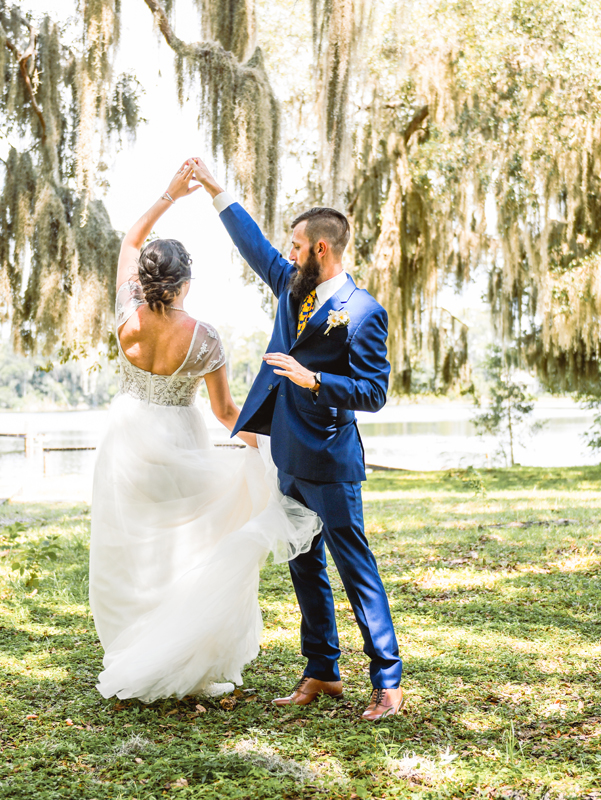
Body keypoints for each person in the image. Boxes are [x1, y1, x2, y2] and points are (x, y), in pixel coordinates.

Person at [89, 160, 320, 703]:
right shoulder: (206, 339)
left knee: (132, 548)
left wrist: (169, 194)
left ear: (145, 281)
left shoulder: (126, 315)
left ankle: (134, 645)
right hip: (178, 439)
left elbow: (129, 241)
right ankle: (179, 651)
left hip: (125, 440)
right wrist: (260, 450)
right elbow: (224, 412)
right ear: (186, 283)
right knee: (186, 545)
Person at [190, 158, 405, 721]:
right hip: (285, 452)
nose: (287, 253)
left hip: (331, 459)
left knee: (354, 567)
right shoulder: (291, 284)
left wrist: (315, 380)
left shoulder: (363, 312)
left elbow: (373, 392)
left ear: (323, 251)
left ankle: (387, 682)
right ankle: (322, 671)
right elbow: (253, 245)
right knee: (302, 565)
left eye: (296, 246)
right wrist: (216, 191)